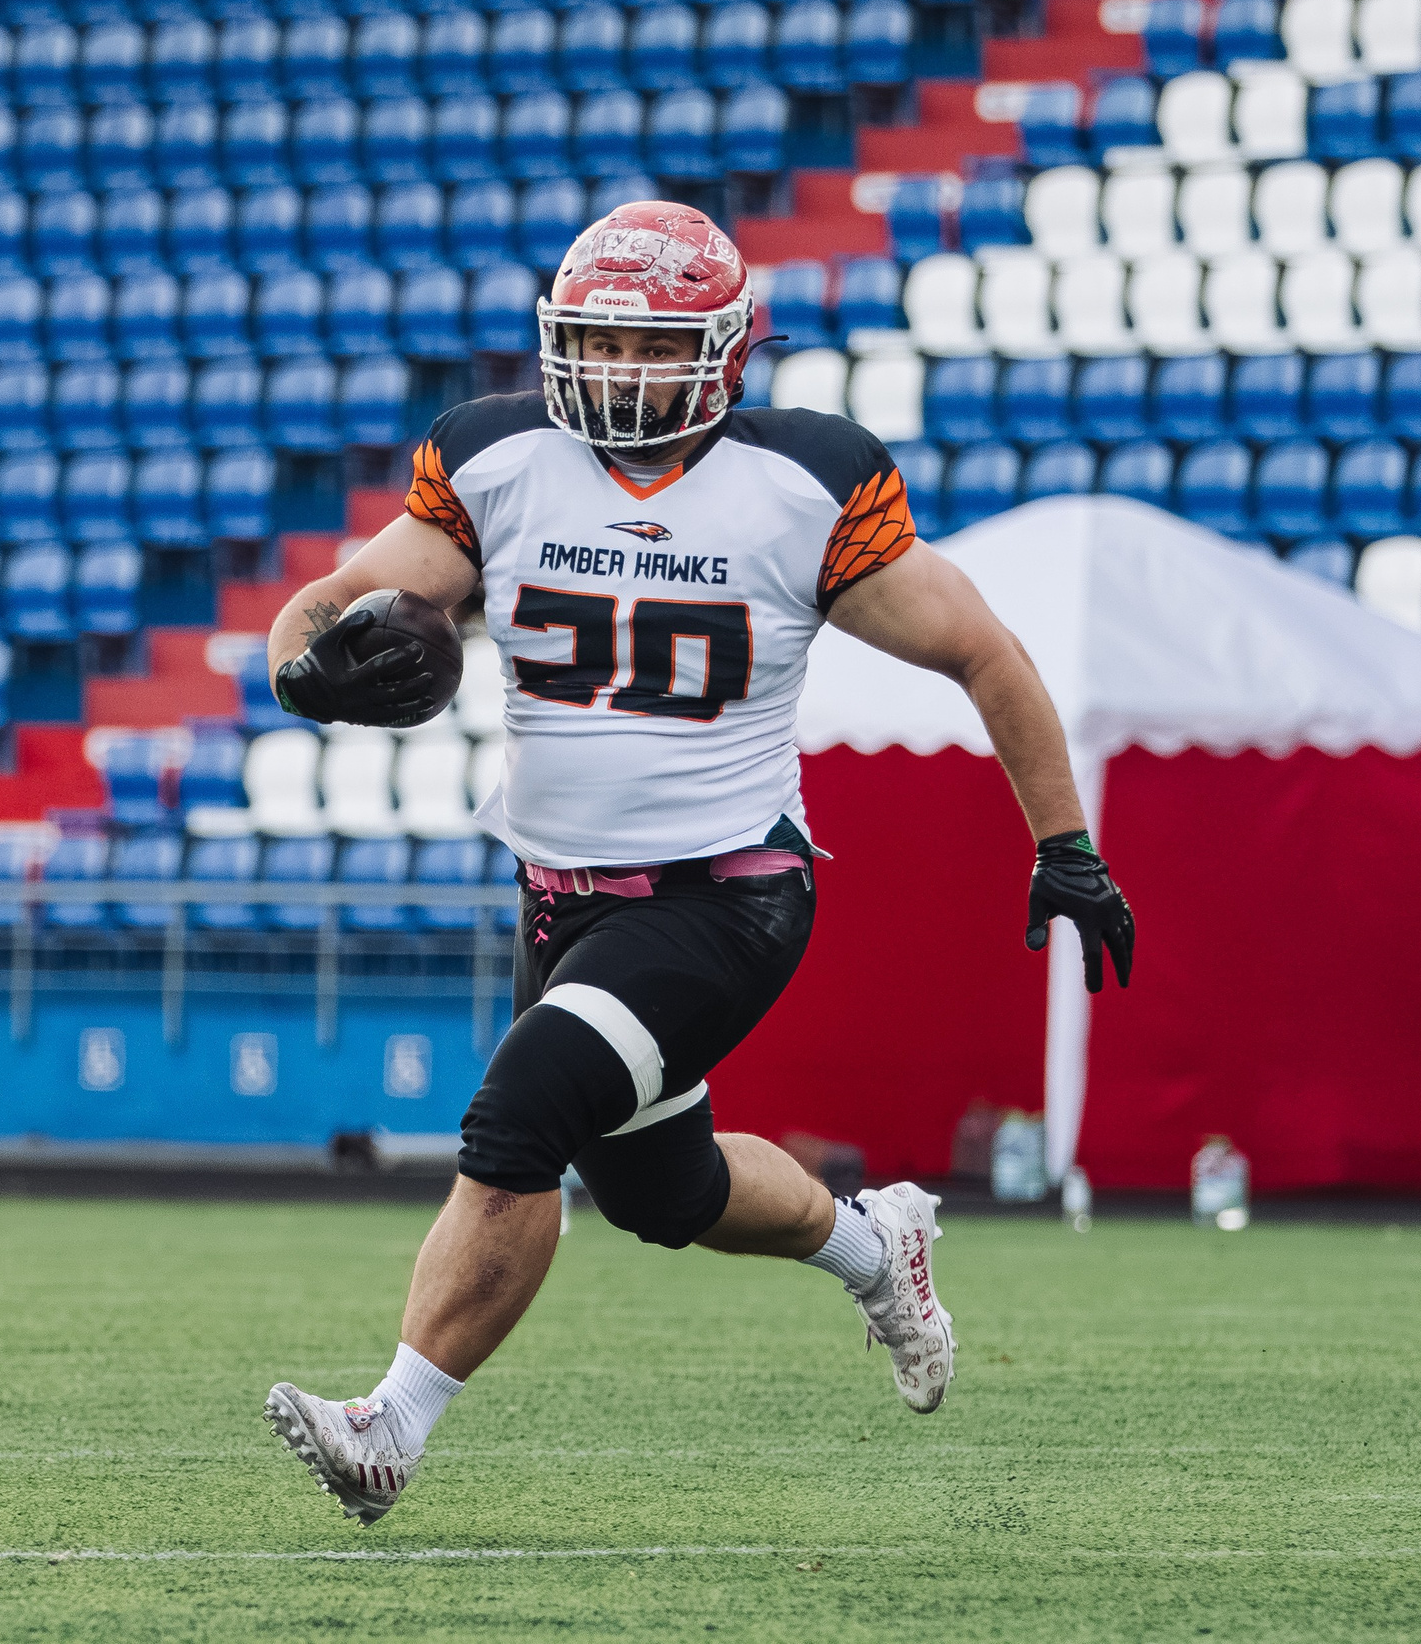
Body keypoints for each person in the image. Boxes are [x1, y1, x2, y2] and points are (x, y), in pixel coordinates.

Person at [259, 202, 1137, 1526]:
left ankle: (393, 1422)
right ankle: (873, 1244)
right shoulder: (499, 460)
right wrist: (304, 672)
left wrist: (1065, 846)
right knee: (662, 1191)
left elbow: (984, 651)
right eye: (594, 339)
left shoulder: (800, 483)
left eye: (645, 344)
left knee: (520, 1114)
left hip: (725, 897)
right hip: (561, 898)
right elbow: (326, 604)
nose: (614, 370)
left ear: (719, 355)